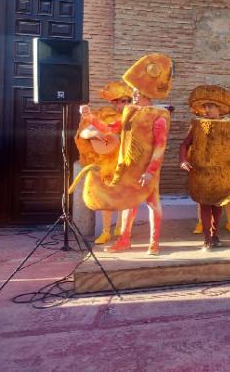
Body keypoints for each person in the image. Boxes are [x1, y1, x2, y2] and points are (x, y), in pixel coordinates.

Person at [71, 54, 173, 255]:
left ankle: (154, 243)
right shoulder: (129, 113)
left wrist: (151, 172)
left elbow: (159, 148)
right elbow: (111, 128)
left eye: (136, 92)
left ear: (145, 93)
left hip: (147, 170)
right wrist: (90, 118)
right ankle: (124, 240)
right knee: (128, 203)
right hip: (127, 168)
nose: (133, 95)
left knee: (153, 203)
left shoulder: (159, 117)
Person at [179, 85, 230, 250]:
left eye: (210, 106)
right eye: (205, 106)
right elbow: (184, 145)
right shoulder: (197, 124)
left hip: (223, 173)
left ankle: (215, 235)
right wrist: (183, 160)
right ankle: (207, 238)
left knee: (219, 204)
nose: (206, 109)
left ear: (219, 109)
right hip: (201, 173)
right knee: (205, 205)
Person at [75, 81, 133, 244]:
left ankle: (122, 229)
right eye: (121, 101)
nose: (124, 104)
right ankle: (106, 231)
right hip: (105, 164)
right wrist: (93, 133)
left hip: (124, 163)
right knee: (106, 199)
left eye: (127, 101)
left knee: (123, 198)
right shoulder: (104, 115)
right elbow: (84, 132)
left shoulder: (133, 117)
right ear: (114, 102)